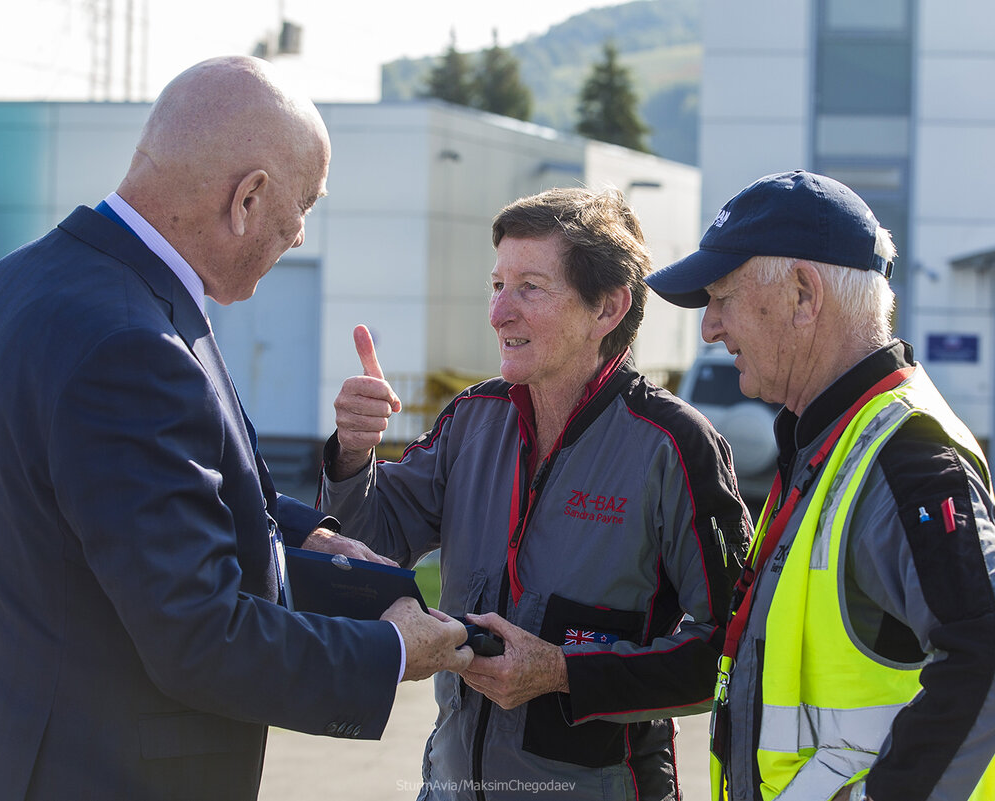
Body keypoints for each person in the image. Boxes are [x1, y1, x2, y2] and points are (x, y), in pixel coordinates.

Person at [0, 55, 471, 801]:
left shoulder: (22, 282)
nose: (300, 235)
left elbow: (137, 505)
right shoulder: (131, 343)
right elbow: (200, 637)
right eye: (302, 205)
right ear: (247, 196)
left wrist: (304, 533)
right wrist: (393, 649)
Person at [321, 187, 753, 800]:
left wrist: (562, 673)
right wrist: (353, 451)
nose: (499, 313)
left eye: (530, 287)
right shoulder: (472, 418)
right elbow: (367, 540)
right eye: (497, 286)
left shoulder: (674, 446)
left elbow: (726, 655)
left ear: (607, 308)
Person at [645, 169, 995, 801]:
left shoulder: (904, 454)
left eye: (722, 297)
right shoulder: (830, 438)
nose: (710, 328)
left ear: (804, 295)